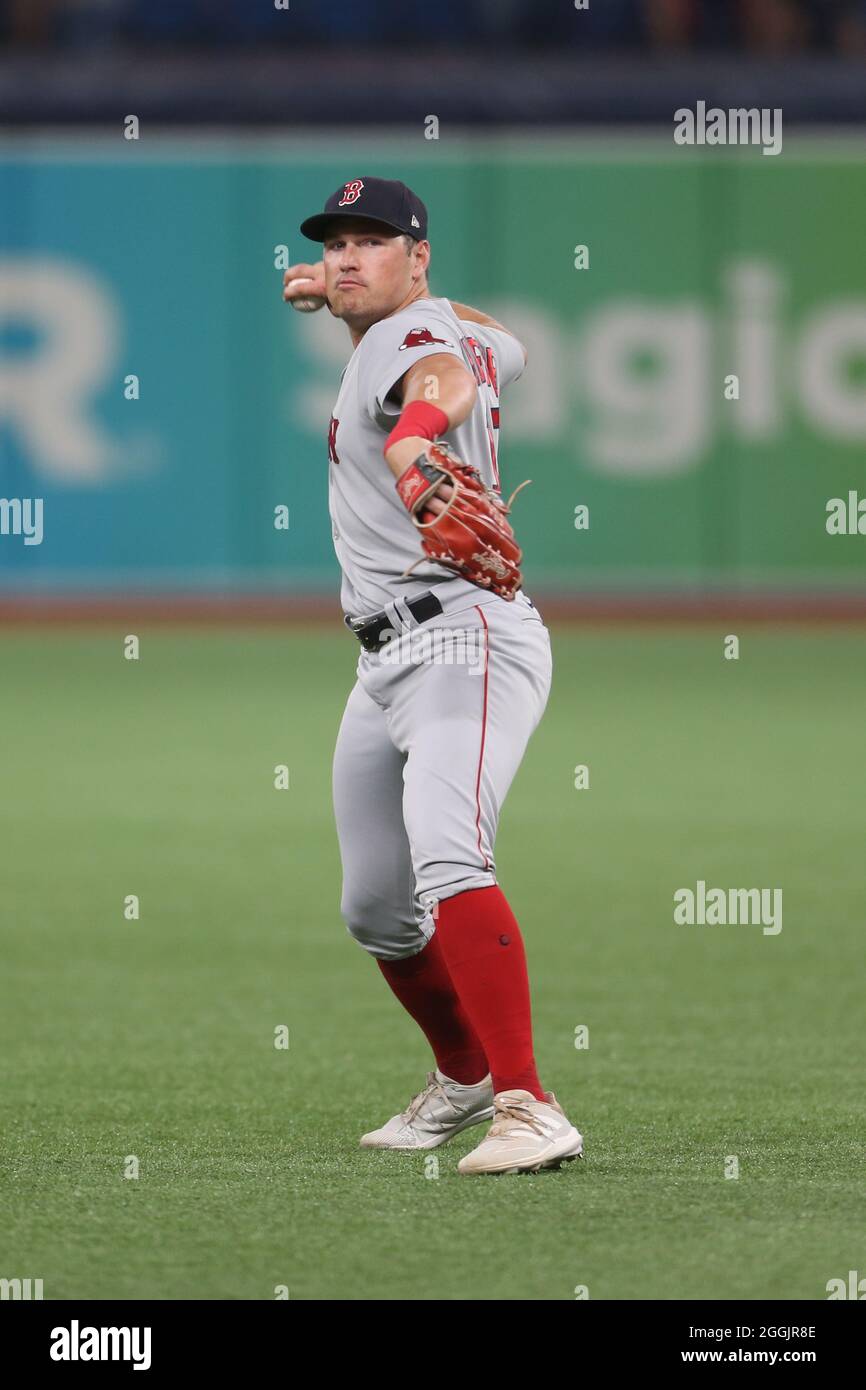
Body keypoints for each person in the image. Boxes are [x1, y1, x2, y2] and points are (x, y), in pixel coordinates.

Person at [284, 176, 583, 1175]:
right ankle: (459, 1076)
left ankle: (528, 1105)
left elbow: (432, 389)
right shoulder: (444, 326)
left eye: (372, 241)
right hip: (382, 660)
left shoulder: (407, 345)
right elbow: (496, 342)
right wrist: (345, 298)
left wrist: (417, 439)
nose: (346, 257)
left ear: (418, 256)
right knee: (375, 904)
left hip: (465, 641)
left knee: (450, 855)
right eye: (336, 245)